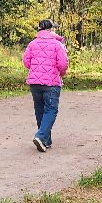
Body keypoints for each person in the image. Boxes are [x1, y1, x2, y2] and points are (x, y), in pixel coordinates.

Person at [21, 18, 69, 151]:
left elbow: (26, 62)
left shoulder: (32, 43)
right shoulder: (57, 45)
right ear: (51, 29)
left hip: (34, 83)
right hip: (51, 82)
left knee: (40, 109)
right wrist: (62, 73)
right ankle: (40, 136)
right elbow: (63, 64)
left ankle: (45, 140)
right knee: (51, 109)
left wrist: (36, 69)